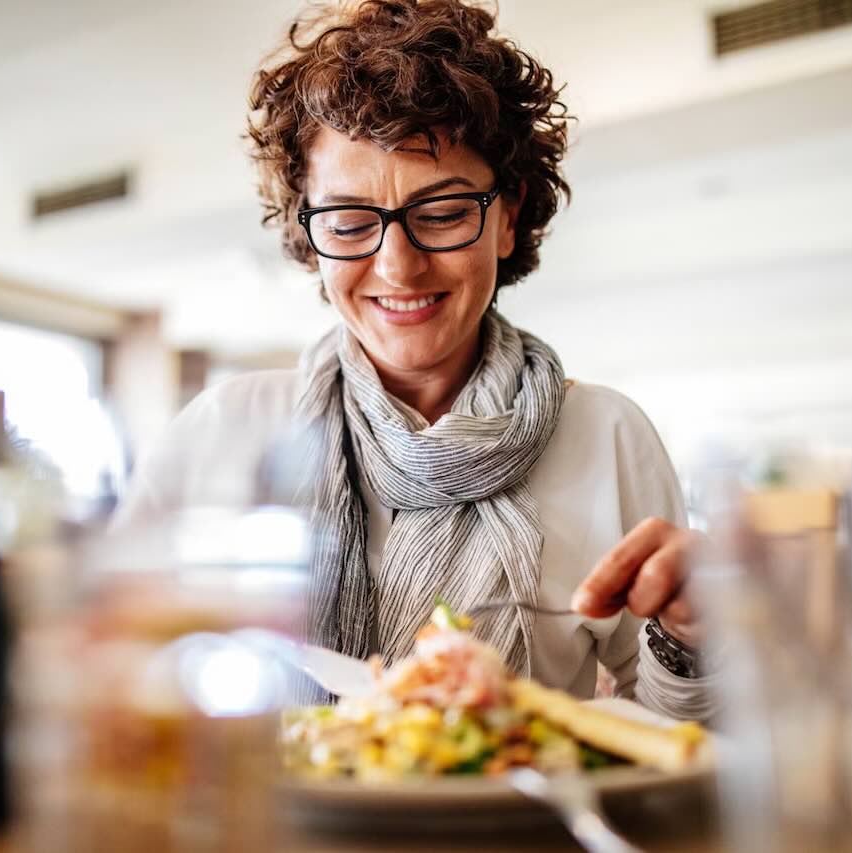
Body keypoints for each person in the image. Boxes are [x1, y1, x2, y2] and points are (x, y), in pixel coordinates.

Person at [119, 0, 713, 721]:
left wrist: (692, 639)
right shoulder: (224, 429)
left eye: (440, 213)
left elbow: (668, 738)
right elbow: (116, 670)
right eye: (348, 222)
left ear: (508, 215)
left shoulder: (608, 436)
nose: (397, 267)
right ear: (310, 231)